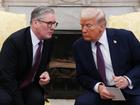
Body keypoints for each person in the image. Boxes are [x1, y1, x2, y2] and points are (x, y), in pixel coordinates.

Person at [73, 8, 140, 105]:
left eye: (88, 26)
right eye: (82, 25)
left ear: (102, 26)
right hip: (102, 92)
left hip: (129, 89)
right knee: (82, 102)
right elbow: (81, 76)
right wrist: (98, 87)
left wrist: (127, 79)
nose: (83, 30)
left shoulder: (125, 37)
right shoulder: (79, 46)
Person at [0, 6, 58, 105]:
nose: (53, 27)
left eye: (54, 23)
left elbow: (45, 63)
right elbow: (6, 76)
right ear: (35, 23)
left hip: (29, 84)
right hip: (7, 84)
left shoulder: (49, 39)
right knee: (6, 101)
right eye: (49, 23)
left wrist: (46, 72)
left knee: (37, 99)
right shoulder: (14, 42)